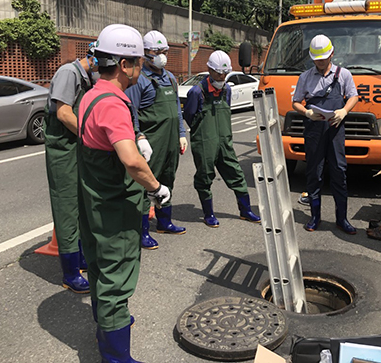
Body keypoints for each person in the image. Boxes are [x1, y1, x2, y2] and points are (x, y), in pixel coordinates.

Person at [77, 23, 171, 362]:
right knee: (117, 279)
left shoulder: (91, 95)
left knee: (101, 272)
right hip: (114, 209)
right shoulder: (114, 104)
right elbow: (131, 162)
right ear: (123, 65)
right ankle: (116, 356)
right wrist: (157, 188)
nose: (142, 67)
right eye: (138, 61)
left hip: (94, 205)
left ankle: (109, 330)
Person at [183, 50, 260, 227]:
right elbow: (189, 116)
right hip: (205, 143)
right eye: (218, 73)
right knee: (204, 177)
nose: (222, 76)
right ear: (209, 70)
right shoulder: (197, 92)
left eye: (225, 73)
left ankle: (245, 210)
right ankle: (208, 213)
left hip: (225, 142)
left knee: (236, 174)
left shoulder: (226, 90)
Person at [125, 30, 187, 250]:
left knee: (167, 179)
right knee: (145, 184)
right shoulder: (139, 80)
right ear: (146, 53)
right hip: (151, 143)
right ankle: (141, 232)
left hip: (170, 141)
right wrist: (138, 138)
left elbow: (177, 111)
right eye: (157, 51)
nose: (162, 55)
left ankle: (164, 222)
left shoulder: (170, 77)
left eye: (165, 51)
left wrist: (181, 133)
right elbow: (131, 113)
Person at [44, 42, 97, 294]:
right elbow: (64, 113)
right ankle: (70, 272)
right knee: (67, 207)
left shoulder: (87, 79)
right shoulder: (69, 73)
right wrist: (90, 136)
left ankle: (80, 258)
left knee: (81, 205)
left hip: (76, 148)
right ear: (94, 59)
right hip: (63, 151)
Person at [292, 34, 359, 234]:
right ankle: (314, 217)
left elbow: (353, 96)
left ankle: (342, 219)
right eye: (316, 60)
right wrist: (307, 112)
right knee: (314, 172)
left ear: (331, 55)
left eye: (323, 59)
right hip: (314, 131)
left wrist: (344, 111)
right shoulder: (305, 77)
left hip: (335, 130)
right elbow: (296, 101)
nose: (320, 63)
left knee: (339, 171)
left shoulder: (343, 74)